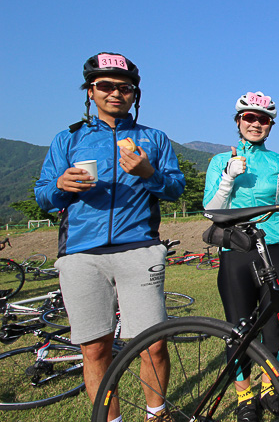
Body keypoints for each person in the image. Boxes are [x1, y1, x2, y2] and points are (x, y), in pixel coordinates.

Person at [35, 52, 185, 422]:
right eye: (105, 86)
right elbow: (42, 195)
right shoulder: (67, 139)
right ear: (90, 92)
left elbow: (176, 188)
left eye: (125, 88)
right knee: (95, 349)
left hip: (139, 249)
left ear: (135, 94)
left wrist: (150, 172)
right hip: (81, 254)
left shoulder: (154, 138)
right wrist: (60, 186)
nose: (115, 93)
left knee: (153, 344)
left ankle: (157, 413)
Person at [204, 91, 279, 422]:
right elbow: (211, 211)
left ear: (270, 126)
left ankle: (267, 386)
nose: (256, 124)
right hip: (235, 248)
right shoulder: (221, 161)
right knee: (239, 326)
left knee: (275, 327)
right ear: (238, 122)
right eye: (249, 118)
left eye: (263, 119)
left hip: (274, 248)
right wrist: (229, 178)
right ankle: (244, 394)